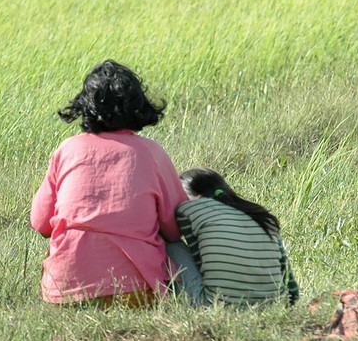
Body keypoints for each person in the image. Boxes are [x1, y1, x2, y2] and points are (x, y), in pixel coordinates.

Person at [30, 60, 187, 307]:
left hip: (66, 292)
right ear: (138, 107)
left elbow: (40, 223)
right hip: (137, 292)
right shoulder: (152, 153)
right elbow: (175, 228)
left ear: (85, 105)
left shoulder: (67, 149)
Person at [170, 168, 299, 306]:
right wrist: (292, 301)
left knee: (168, 242)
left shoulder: (189, 210)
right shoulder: (260, 215)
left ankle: (162, 301)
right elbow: (285, 270)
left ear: (192, 194)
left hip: (216, 305)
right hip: (272, 305)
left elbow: (200, 263)